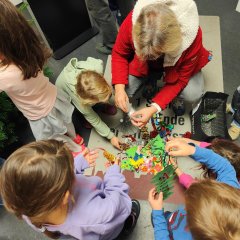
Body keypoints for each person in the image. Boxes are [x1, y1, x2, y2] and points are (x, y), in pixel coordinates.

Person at [0, 139, 140, 240]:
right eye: (69, 168)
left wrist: (76, 165)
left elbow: (51, 180)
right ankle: (127, 226)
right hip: (110, 226)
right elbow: (118, 204)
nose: (72, 167)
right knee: (124, 219)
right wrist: (113, 174)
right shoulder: (97, 214)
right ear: (66, 196)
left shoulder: (28, 209)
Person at [112, 0, 211, 128]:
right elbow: (119, 53)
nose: (154, 58)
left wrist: (154, 108)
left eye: (157, 54)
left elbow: (181, 79)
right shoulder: (133, 22)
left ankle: (177, 97)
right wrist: (119, 88)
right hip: (145, 64)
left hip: (177, 67)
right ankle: (151, 79)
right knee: (124, 87)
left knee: (192, 93)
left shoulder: (192, 37)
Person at [0, 0, 83, 151]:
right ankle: (75, 137)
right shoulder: (29, 48)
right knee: (65, 122)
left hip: (40, 114)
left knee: (53, 139)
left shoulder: (4, 75)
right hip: (53, 95)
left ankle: (76, 150)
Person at [148, 138, 240, 240]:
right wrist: (192, 150)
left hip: (170, 230)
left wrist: (157, 213)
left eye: (188, 206)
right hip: (174, 218)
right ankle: (165, 217)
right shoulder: (230, 193)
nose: (186, 203)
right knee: (168, 217)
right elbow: (224, 167)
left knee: (162, 222)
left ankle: (162, 219)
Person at [56, 58, 122, 149]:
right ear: (88, 101)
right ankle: (85, 118)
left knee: (100, 96)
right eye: (102, 101)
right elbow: (95, 120)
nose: (107, 101)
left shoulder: (97, 67)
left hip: (86, 90)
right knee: (86, 112)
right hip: (64, 92)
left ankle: (100, 105)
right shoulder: (81, 101)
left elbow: (95, 61)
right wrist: (111, 137)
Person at [170, 138, 240, 188]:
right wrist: (178, 141)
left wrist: (176, 169)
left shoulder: (227, 188)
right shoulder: (218, 150)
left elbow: (194, 187)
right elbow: (203, 147)